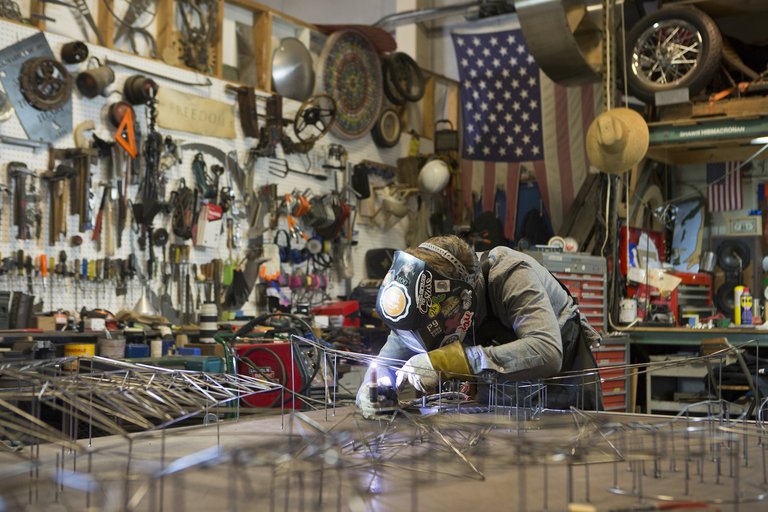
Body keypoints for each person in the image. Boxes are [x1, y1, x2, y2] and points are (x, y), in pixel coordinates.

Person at [356, 235, 602, 418]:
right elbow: (384, 366)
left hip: (560, 390)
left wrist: (450, 362)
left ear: (461, 299)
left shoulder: (510, 274)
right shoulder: (421, 307)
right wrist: (372, 389)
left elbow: (546, 351)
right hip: (505, 394)